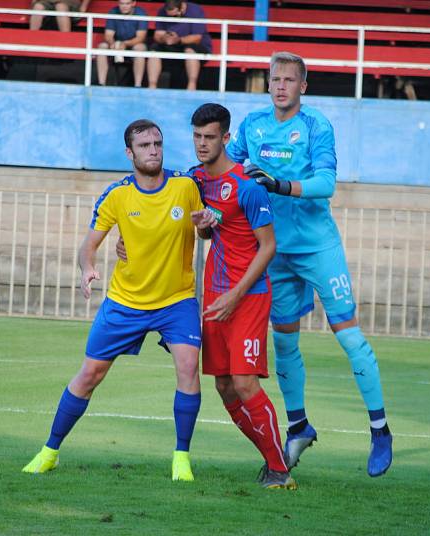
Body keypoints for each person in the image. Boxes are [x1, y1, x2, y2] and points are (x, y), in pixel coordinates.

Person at [227, 52, 394, 478]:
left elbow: (326, 185)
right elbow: (225, 170)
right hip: (275, 252)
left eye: (288, 80)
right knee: (284, 342)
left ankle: (379, 430)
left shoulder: (316, 126)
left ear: (303, 86)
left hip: (318, 248)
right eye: (274, 79)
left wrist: (277, 183)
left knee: (350, 338)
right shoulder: (251, 126)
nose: (280, 86)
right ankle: (299, 425)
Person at [22, 119, 212, 482]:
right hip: (125, 301)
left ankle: (181, 458)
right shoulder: (117, 195)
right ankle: (49, 451)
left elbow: (204, 228)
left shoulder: (186, 186)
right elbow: (87, 246)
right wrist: (87, 269)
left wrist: (205, 224)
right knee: (89, 375)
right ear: (130, 153)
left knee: (188, 369)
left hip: (177, 300)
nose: (153, 150)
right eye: (144, 145)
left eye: (157, 143)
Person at [189, 103, 296, 490]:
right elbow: (209, 234)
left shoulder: (248, 185)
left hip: (248, 295)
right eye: (197, 136)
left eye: (210, 137)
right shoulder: (197, 181)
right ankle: (274, 460)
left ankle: (279, 470)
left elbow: (268, 246)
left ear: (226, 138)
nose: (202, 144)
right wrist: (203, 227)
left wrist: (236, 294)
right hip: (216, 295)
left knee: (245, 381)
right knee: (223, 386)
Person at [147, 0, 212, 91]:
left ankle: (191, 87)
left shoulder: (195, 10)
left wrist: (179, 40)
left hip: (193, 44)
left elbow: (197, 38)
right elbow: (157, 35)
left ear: (182, 8)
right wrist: (164, 38)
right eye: (169, 17)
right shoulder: (162, 11)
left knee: (190, 50)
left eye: (175, 16)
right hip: (171, 44)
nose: (172, 18)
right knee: (154, 50)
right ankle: (151, 88)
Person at [96, 0, 149, 87]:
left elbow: (140, 37)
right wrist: (113, 43)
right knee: (102, 47)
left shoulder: (141, 13)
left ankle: (138, 85)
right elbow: (108, 35)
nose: (124, 6)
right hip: (117, 44)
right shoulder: (113, 12)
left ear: (133, 3)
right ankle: (101, 83)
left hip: (133, 44)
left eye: (127, 3)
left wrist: (125, 44)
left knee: (140, 48)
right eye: (122, 3)